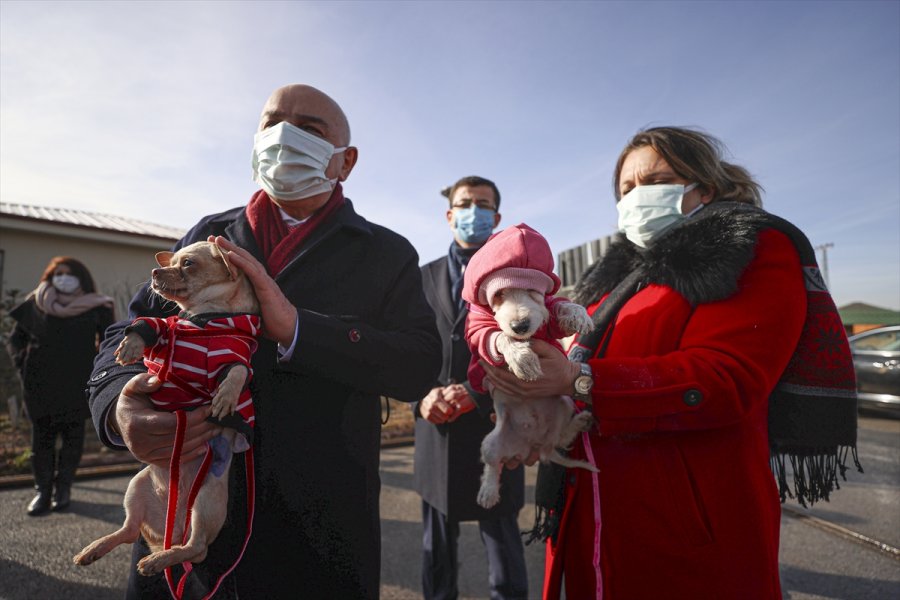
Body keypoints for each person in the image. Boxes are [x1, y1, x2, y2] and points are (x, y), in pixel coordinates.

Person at [87, 84, 441, 599]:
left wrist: (299, 328)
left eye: (309, 129)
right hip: (182, 516)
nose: (284, 138)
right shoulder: (208, 235)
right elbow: (128, 329)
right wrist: (117, 406)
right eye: (271, 124)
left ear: (346, 162)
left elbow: (420, 364)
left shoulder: (385, 253)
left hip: (317, 532)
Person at [479, 126, 858, 599]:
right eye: (626, 189)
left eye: (655, 180)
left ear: (705, 187)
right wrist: (540, 427)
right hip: (591, 512)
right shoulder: (618, 279)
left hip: (680, 530)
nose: (638, 196)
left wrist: (578, 379)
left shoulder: (752, 250)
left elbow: (726, 379)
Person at [413, 176, 528, 600]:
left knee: (504, 556)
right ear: (449, 215)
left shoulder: (517, 280)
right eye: (465, 203)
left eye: (482, 204)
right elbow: (408, 349)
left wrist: (475, 393)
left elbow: (530, 349)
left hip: (493, 426)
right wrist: (421, 396)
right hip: (436, 430)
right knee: (436, 554)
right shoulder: (421, 277)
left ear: (496, 217)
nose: (472, 212)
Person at [7, 257, 114, 515]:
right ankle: (42, 491)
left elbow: (110, 342)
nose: (63, 278)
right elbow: (15, 341)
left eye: (69, 273)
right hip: (40, 382)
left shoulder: (98, 306)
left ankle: (63, 489)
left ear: (82, 278)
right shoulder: (36, 302)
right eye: (58, 273)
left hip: (77, 380)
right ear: (50, 277)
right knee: (41, 437)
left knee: (72, 437)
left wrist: (100, 374)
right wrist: (24, 364)